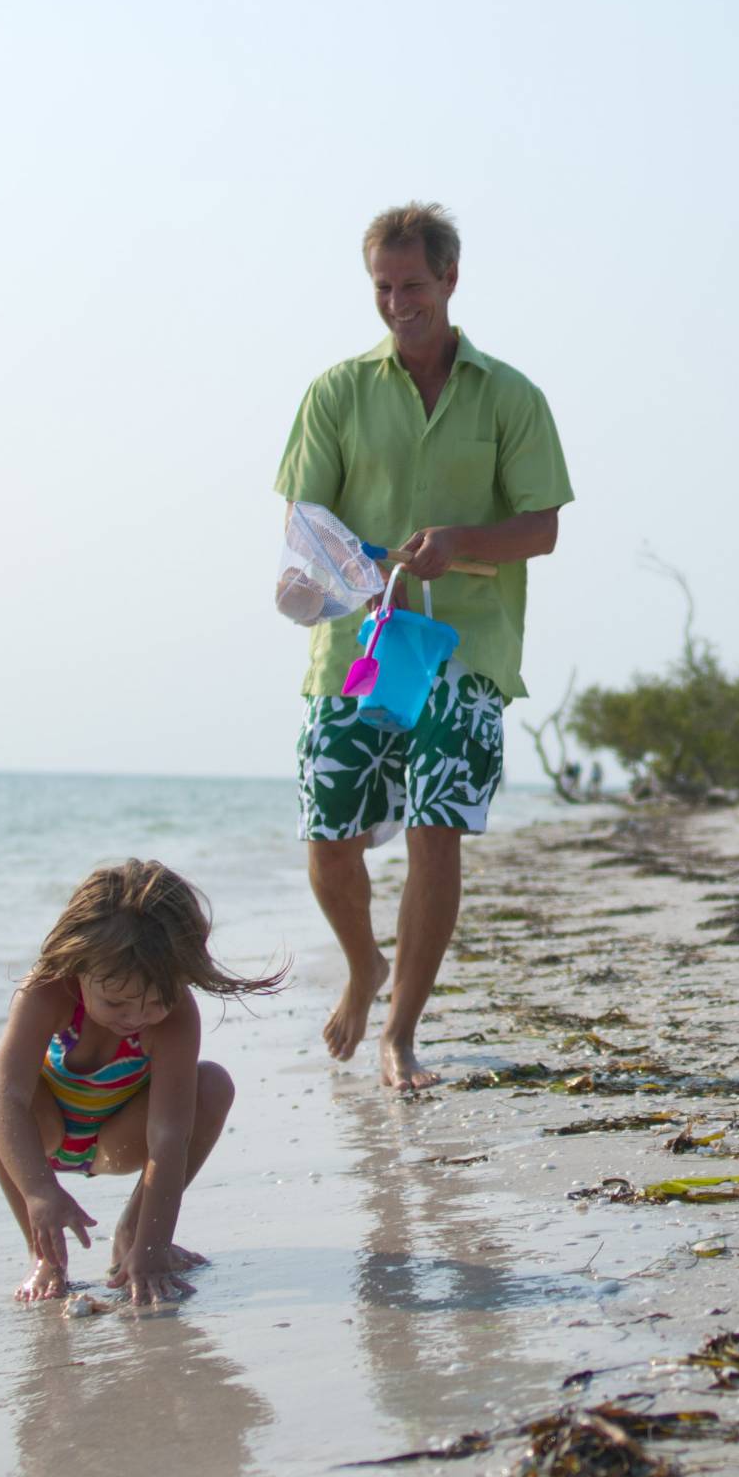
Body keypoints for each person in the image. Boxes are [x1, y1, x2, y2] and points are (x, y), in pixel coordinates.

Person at [274, 201, 573, 1092]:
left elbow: (543, 528)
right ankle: (365, 965)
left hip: (465, 649)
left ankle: (400, 1031)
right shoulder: (335, 393)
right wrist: (324, 577)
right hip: (357, 648)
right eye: (383, 287)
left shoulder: (512, 395)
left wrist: (460, 542)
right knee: (331, 833)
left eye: (413, 285)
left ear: (449, 279)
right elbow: (303, 521)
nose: (399, 302)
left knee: (437, 830)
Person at [0, 859, 285, 1303]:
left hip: (120, 1139)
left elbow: (168, 1137)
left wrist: (153, 1247)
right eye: (117, 1002)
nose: (136, 1018)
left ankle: (131, 1236)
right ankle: (45, 1258)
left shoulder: (176, 1016)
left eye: (156, 1001)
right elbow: (7, 1097)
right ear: (77, 967)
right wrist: (39, 1189)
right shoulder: (46, 992)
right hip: (46, 1135)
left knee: (213, 1084)